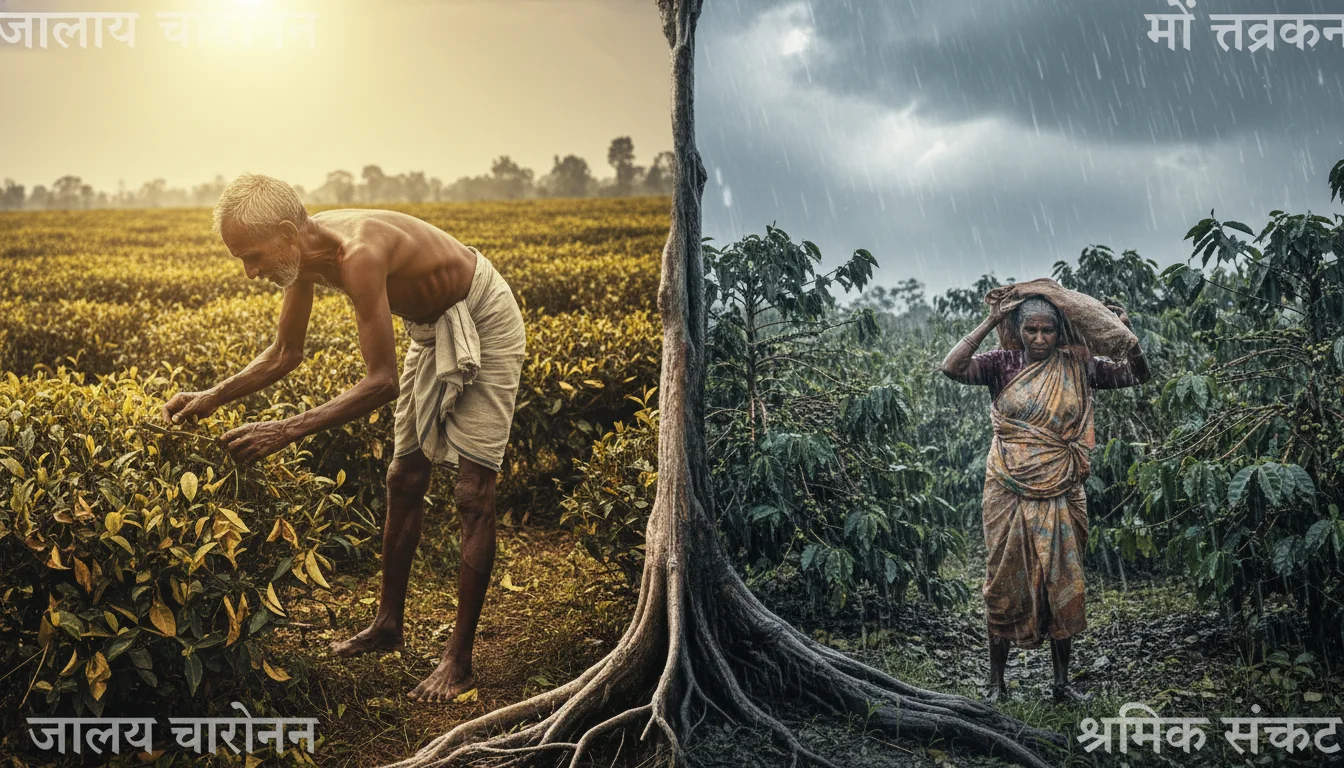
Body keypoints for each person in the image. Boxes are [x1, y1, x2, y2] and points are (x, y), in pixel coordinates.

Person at [160, 173, 527, 703]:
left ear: (288, 232)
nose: (249, 272)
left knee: (473, 493)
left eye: (253, 256)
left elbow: (382, 382)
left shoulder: (357, 254)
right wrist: (211, 397)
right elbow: (286, 353)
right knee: (404, 477)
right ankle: (387, 626)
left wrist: (283, 429)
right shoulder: (302, 257)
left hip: (482, 314)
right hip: (429, 327)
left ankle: (459, 659)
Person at [940, 294, 1150, 703]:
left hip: (1062, 486)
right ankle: (996, 684)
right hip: (1006, 485)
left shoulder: (1079, 364)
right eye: (1031, 329)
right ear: (1018, 331)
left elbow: (1136, 376)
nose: (1039, 338)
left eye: (1047, 329)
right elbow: (952, 367)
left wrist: (1127, 336)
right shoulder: (1002, 363)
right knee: (1004, 579)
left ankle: (1061, 684)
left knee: (1061, 579)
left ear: (1059, 331)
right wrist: (989, 321)